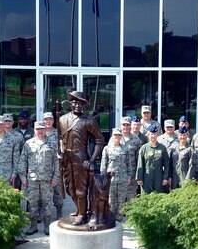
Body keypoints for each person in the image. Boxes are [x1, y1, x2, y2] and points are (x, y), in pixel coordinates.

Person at [58, 92, 105, 224]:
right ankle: (79, 209)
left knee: (81, 189)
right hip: (67, 159)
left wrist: (91, 160)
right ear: (70, 104)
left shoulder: (89, 121)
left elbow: (99, 141)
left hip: (81, 158)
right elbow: (61, 139)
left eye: (80, 103)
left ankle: (83, 215)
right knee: (69, 187)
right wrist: (60, 152)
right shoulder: (62, 119)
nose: (77, 105)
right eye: (74, 102)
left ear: (84, 105)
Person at [20, 121, 59, 234]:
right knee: (32, 203)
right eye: (38, 129)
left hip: (47, 180)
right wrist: (23, 178)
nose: (40, 131)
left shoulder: (52, 143)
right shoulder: (28, 144)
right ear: (34, 130)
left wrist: (55, 178)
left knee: (47, 203)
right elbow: (22, 161)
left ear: (45, 130)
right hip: (32, 180)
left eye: (42, 129)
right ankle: (33, 226)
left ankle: (47, 227)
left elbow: (57, 163)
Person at [99, 128, 130, 221]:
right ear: (112, 136)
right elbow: (103, 164)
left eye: (119, 135)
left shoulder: (125, 148)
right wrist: (103, 178)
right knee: (111, 200)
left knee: (121, 200)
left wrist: (128, 176)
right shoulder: (107, 148)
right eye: (115, 135)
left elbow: (128, 164)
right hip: (111, 179)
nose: (117, 137)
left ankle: (119, 219)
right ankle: (111, 218)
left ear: (121, 136)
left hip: (123, 179)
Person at [136, 123, 170, 194]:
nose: (153, 136)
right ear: (148, 135)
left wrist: (165, 178)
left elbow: (167, 164)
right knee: (145, 198)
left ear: (157, 134)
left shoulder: (162, 148)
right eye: (151, 134)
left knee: (159, 197)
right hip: (146, 177)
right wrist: (139, 178)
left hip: (159, 177)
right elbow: (140, 164)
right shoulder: (144, 148)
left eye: (155, 134)